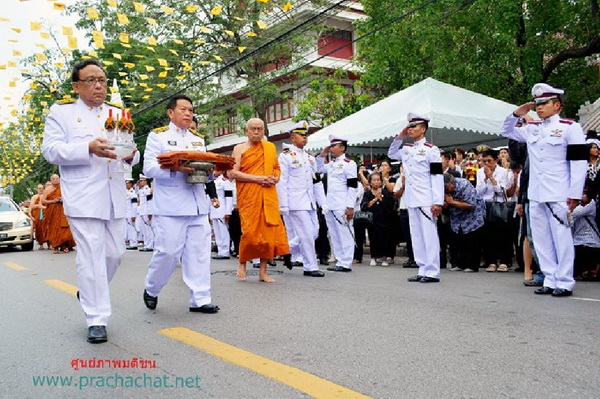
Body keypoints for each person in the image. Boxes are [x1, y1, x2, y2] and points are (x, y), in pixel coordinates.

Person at [42, 59, 139, 343]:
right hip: (84, 196)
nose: (99, 85)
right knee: (92, 258)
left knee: (115, 254)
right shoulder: (62, 113)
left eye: (103, 80)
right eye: (92, 80)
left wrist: (132, 155)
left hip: (114, 195)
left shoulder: (118, 113)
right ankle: (96, 318)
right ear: (76, 86)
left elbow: (131, 150)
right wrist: (87, 147)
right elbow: (52, 150)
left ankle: (88, 292)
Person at [501, 83, 587, 297]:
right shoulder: (533, 128)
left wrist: (575, 193)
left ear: (557, 106)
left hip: (559, 192)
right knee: (540, 239)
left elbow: (578, 162)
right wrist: (516, 114)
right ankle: (550, 278)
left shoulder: (570, 127)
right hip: (536, 193)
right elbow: (506, 131)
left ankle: (565, 281)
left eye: (544, 103)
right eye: (537, 104)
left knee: (562, 237)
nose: (539, 107)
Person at [142, 94, 220, 313]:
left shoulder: (198, 138)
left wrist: (210, 169)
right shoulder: (158, 137)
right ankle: (152, 288)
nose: (188, 113)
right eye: (183, 109)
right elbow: (149, 169)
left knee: (199, 253)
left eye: (191, 110)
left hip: (196, 203)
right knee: (168, 252)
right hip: (170, 205)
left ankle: (200, 298)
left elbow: (204, 167)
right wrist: (173, 168)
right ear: (170, 113)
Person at [230, 118, 291, 282]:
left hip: (268, 194)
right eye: (253, 129)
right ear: (246, 131)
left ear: (264, 131)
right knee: (249, 232)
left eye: (260, 129)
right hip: (249, 195)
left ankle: (263, 272)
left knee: (267, 234)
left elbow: (276, 169)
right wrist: (258, 179)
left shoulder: (270, 148)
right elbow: (233, 173)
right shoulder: (239, 149)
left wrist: (274, 178)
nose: (257, 132)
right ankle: (242, 262)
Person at [388, 112, 444, 283]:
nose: (410, 129)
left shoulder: (431, 149)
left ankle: (432, 271)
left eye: (414, 126)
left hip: (427, 198)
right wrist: (400, 137)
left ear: (423, 128)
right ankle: (422, 268)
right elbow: (391, 153)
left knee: (429, 235)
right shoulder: (407, 149)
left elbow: (436, 176)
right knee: (417, 236)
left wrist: (438, 201)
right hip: (411, 199)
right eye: (409, 126)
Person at [277, 121, 325, 277]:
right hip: (295, 201)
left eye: (306, 135)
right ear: (292, 137)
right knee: (305, 234)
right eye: (301, 135)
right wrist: (283, 205)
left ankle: (285, 249)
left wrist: (322, 202)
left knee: (314, 232)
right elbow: (282, 181)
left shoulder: (309, 158)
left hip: (310, 200)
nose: (305, 138)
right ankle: (310, 266)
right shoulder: (285, 156)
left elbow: (316, 181)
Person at [316, 135, 359, 272]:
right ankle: (340, 260)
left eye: (334, 146)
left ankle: (346, 262)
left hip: (342, 204)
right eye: (331, 146)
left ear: (342, 147)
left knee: (344, 233)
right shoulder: (332, 164)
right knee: (334, 234)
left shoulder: (349, 164)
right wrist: (323, 154)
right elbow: (317, 168)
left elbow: (353, 187)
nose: (332, 148)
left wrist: (350, 206)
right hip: (330, 205)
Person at [476, 149, 511, 272]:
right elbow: (479, 192)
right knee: (487, 235)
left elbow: (501, 190)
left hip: (498, 204)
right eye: (484, 161)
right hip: (485, 204)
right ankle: (490, 261)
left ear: (496, 160)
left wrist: (491, 177)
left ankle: (504, 261)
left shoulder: (502, 172)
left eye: (489, 161)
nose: (486, 164)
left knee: (501, 234)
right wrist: (485, 179)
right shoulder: (480, 172)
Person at [443, 173, 485, 272]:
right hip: (456, 218)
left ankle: (472, 266)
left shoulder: (464, 185)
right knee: (457, 240)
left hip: (472, 216)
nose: (446, 190)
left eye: (447, 187)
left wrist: (452, 202)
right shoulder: (442, 189)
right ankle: (459, 264)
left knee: (472, 241)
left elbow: (471, 204)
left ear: (452, 183)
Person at [361, 172, 395, 266]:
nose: (376, 182)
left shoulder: (386, 193)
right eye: (374, 180)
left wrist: (381, 199)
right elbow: (364, 206)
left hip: (384, 219)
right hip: (372, 220)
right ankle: (373, 257)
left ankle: (384, 258)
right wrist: (375, 199)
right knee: (373, 238)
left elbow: (390, 206)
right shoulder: (367, 193)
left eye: (378, 180)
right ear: (370, 182)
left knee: (384, 238)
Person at [40, 174, 76, 254]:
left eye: (57, 178)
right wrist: (53, 201)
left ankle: (65, 246)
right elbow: (43, 201)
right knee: (54, 229)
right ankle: (56, 247)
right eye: (54, 179)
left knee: (65, 228)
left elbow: (70, 198)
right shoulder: (48, 190)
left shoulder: (64, 188)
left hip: (63, 210)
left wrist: (63, 200)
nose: (55, 180)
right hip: (52, 212)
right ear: (51, 180)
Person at [211, 170, 234, 259]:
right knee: (217, 232)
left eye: (216, 170)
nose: (214, 171)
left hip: (222, 211)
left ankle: (225, 251)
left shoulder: (225, 182)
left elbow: (229, 198)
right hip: (214, 211)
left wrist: (228, 212)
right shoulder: (213, 182)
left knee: (224, 232)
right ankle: (220, 250)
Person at [137, 175, 154, 252]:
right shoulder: (141, 190)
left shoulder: (147, 189)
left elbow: (149, 202)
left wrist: (150, 212)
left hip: (147, 212)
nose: (140, 182)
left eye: (141, 181)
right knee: (143, 230)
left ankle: (150, 245)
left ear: (145, 181)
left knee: (148, 230)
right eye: (140, 181)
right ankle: (146, 244)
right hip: (142, 212)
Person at [28, 183, 48, 249]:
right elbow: (31, 206)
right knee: (39, 230)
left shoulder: (46, 196)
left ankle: (50, 244)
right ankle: (41, 244)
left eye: (42, 188)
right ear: (37, 189)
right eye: (39, 188)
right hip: (37, 215)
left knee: (47, 229)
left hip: (46, 215)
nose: (41, 190)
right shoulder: (34, 197)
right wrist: (38, 205)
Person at [125, 179, 138, 250]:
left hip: (131, 214)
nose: (127, 185)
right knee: (129, 229)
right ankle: (131, 243)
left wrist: (134, 215)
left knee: (132, 229)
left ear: (131, 184)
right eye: (126, 183)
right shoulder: (126, 192)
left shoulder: (133, 193)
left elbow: (134, 205)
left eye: (128, 183)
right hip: (127, 214)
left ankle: (134, 243)